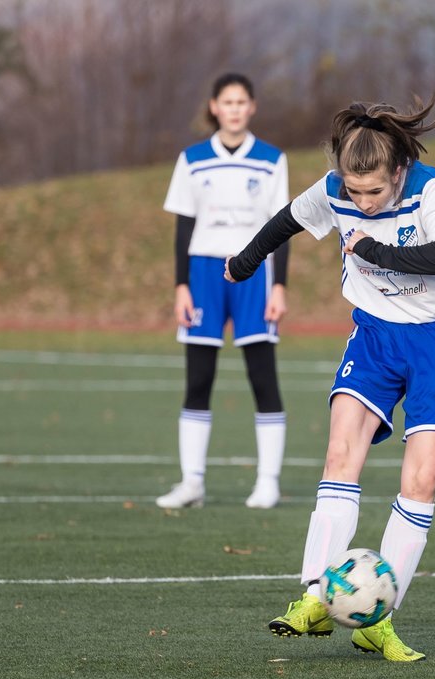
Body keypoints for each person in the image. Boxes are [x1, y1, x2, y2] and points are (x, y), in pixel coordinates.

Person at [225, 95, 435, 662]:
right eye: (353, 192)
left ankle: (377, 623)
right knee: (340, 455)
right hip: (374, 338)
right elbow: (286, 220)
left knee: (423, 478)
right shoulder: (336, 187)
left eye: (374, 192)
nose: (361, 201)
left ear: (399, 173)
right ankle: (314, 596)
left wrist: (377, 249)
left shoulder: (431, 188)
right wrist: (245, 261)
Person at [158, 72, 290, 510]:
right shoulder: (193, 159)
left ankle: (267, 482)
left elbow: (282, 228)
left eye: (241, 102)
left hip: (255, 272)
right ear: (214, 107)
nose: (234, 109)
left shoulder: (272, 159)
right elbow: (183, 226)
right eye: (226, 102)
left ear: (252, 107)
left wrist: (280, 287)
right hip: (203, 274)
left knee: (261, 375)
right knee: (198, 379)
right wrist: (181, 286)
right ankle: (192, 481)